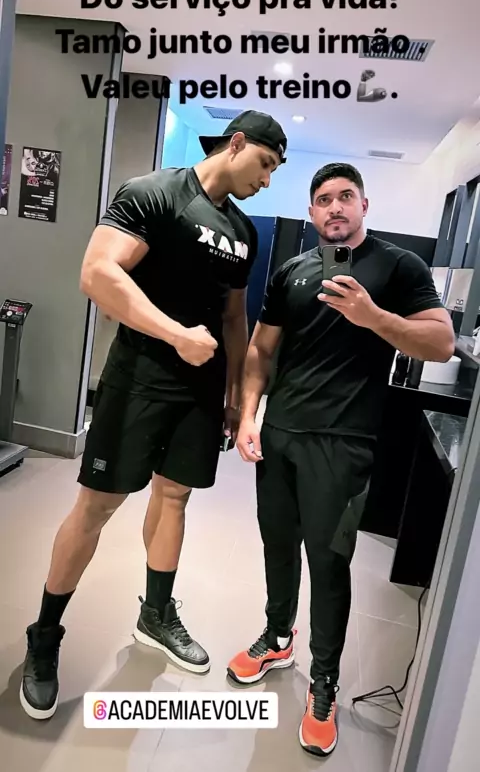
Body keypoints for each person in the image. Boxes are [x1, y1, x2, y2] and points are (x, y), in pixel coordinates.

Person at [20, 109, 288, 720]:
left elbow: (234, 318)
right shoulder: (155, 193)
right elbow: (97, 273)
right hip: (139, 379)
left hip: (200, 392)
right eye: (265, 164)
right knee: (96, 506)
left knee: (175, 498)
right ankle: (45, 634)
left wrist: (233, 394)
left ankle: (156, 613)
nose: (267, 180)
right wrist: (175, 334)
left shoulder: (243, 232)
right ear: (237, 143)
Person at [228, 162, 455, 757]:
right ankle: (278, 637)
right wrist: (249, 416)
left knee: (329, 564)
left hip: (344, 442)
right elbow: (261, 350)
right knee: (278, 544)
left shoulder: (398, 267)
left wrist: (373, 317)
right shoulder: (292, 270)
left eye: (345, 197)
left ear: (364, 206)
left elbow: (441, 342)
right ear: (311, 212)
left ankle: (323, 681)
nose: (335, 207)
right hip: (280, 434)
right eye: (324, 199)